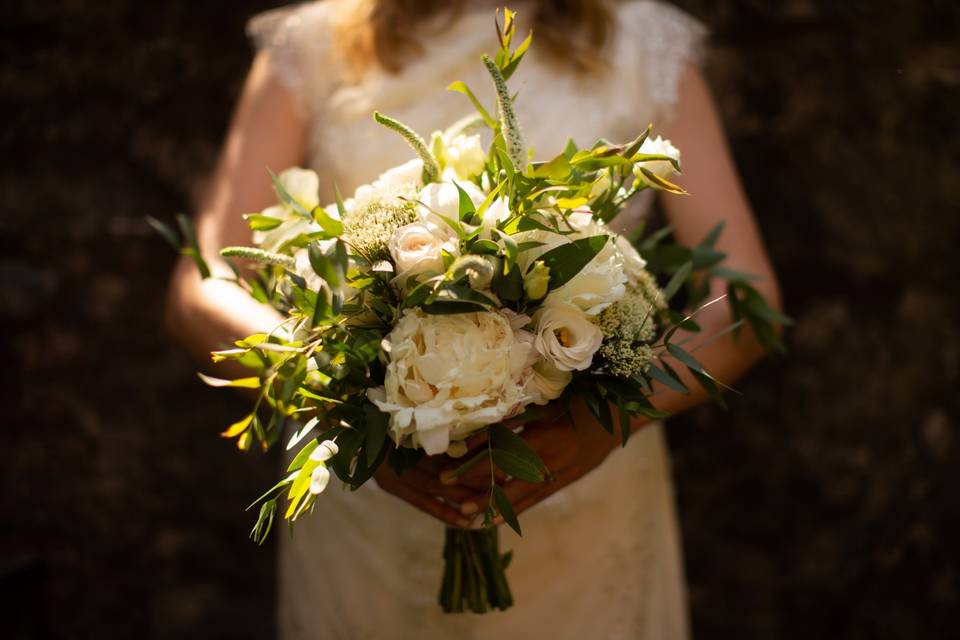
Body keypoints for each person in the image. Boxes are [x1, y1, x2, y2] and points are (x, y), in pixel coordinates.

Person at [165, 0, 782, 637]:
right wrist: (342, 405)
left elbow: (747, 299)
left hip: (581, 508)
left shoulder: (645, 46)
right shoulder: (316, 46)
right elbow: (200, 289)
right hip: (369, 508)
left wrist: (610, 422)